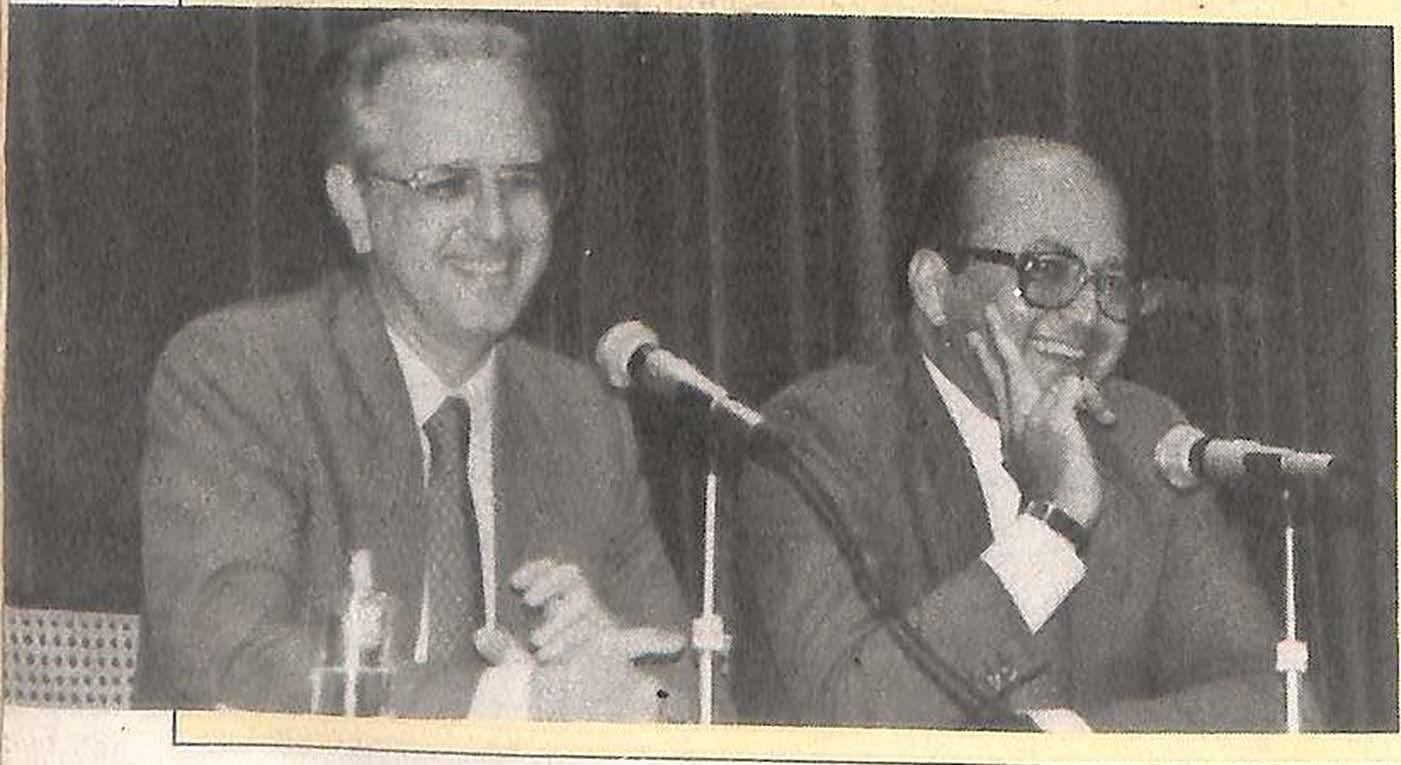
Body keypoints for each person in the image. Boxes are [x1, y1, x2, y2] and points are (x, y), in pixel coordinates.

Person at [138, 15, 691, 721]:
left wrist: (626, 677)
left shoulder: (583, 419)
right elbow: (230, 658)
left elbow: (694, 697)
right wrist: (515, 703)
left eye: (521, 181)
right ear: (354, 204)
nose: (494, 225)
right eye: (447, 184)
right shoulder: (242, 376)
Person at [731, 135, 1300, 731]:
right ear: (934, 288)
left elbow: (1278, 705)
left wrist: (1054, 745)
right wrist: (1054, 527)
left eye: (1110, 283)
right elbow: (851, 715)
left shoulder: (1144, 437)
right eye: (1046, 271)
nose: (1087, 316)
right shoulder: (818, 436)